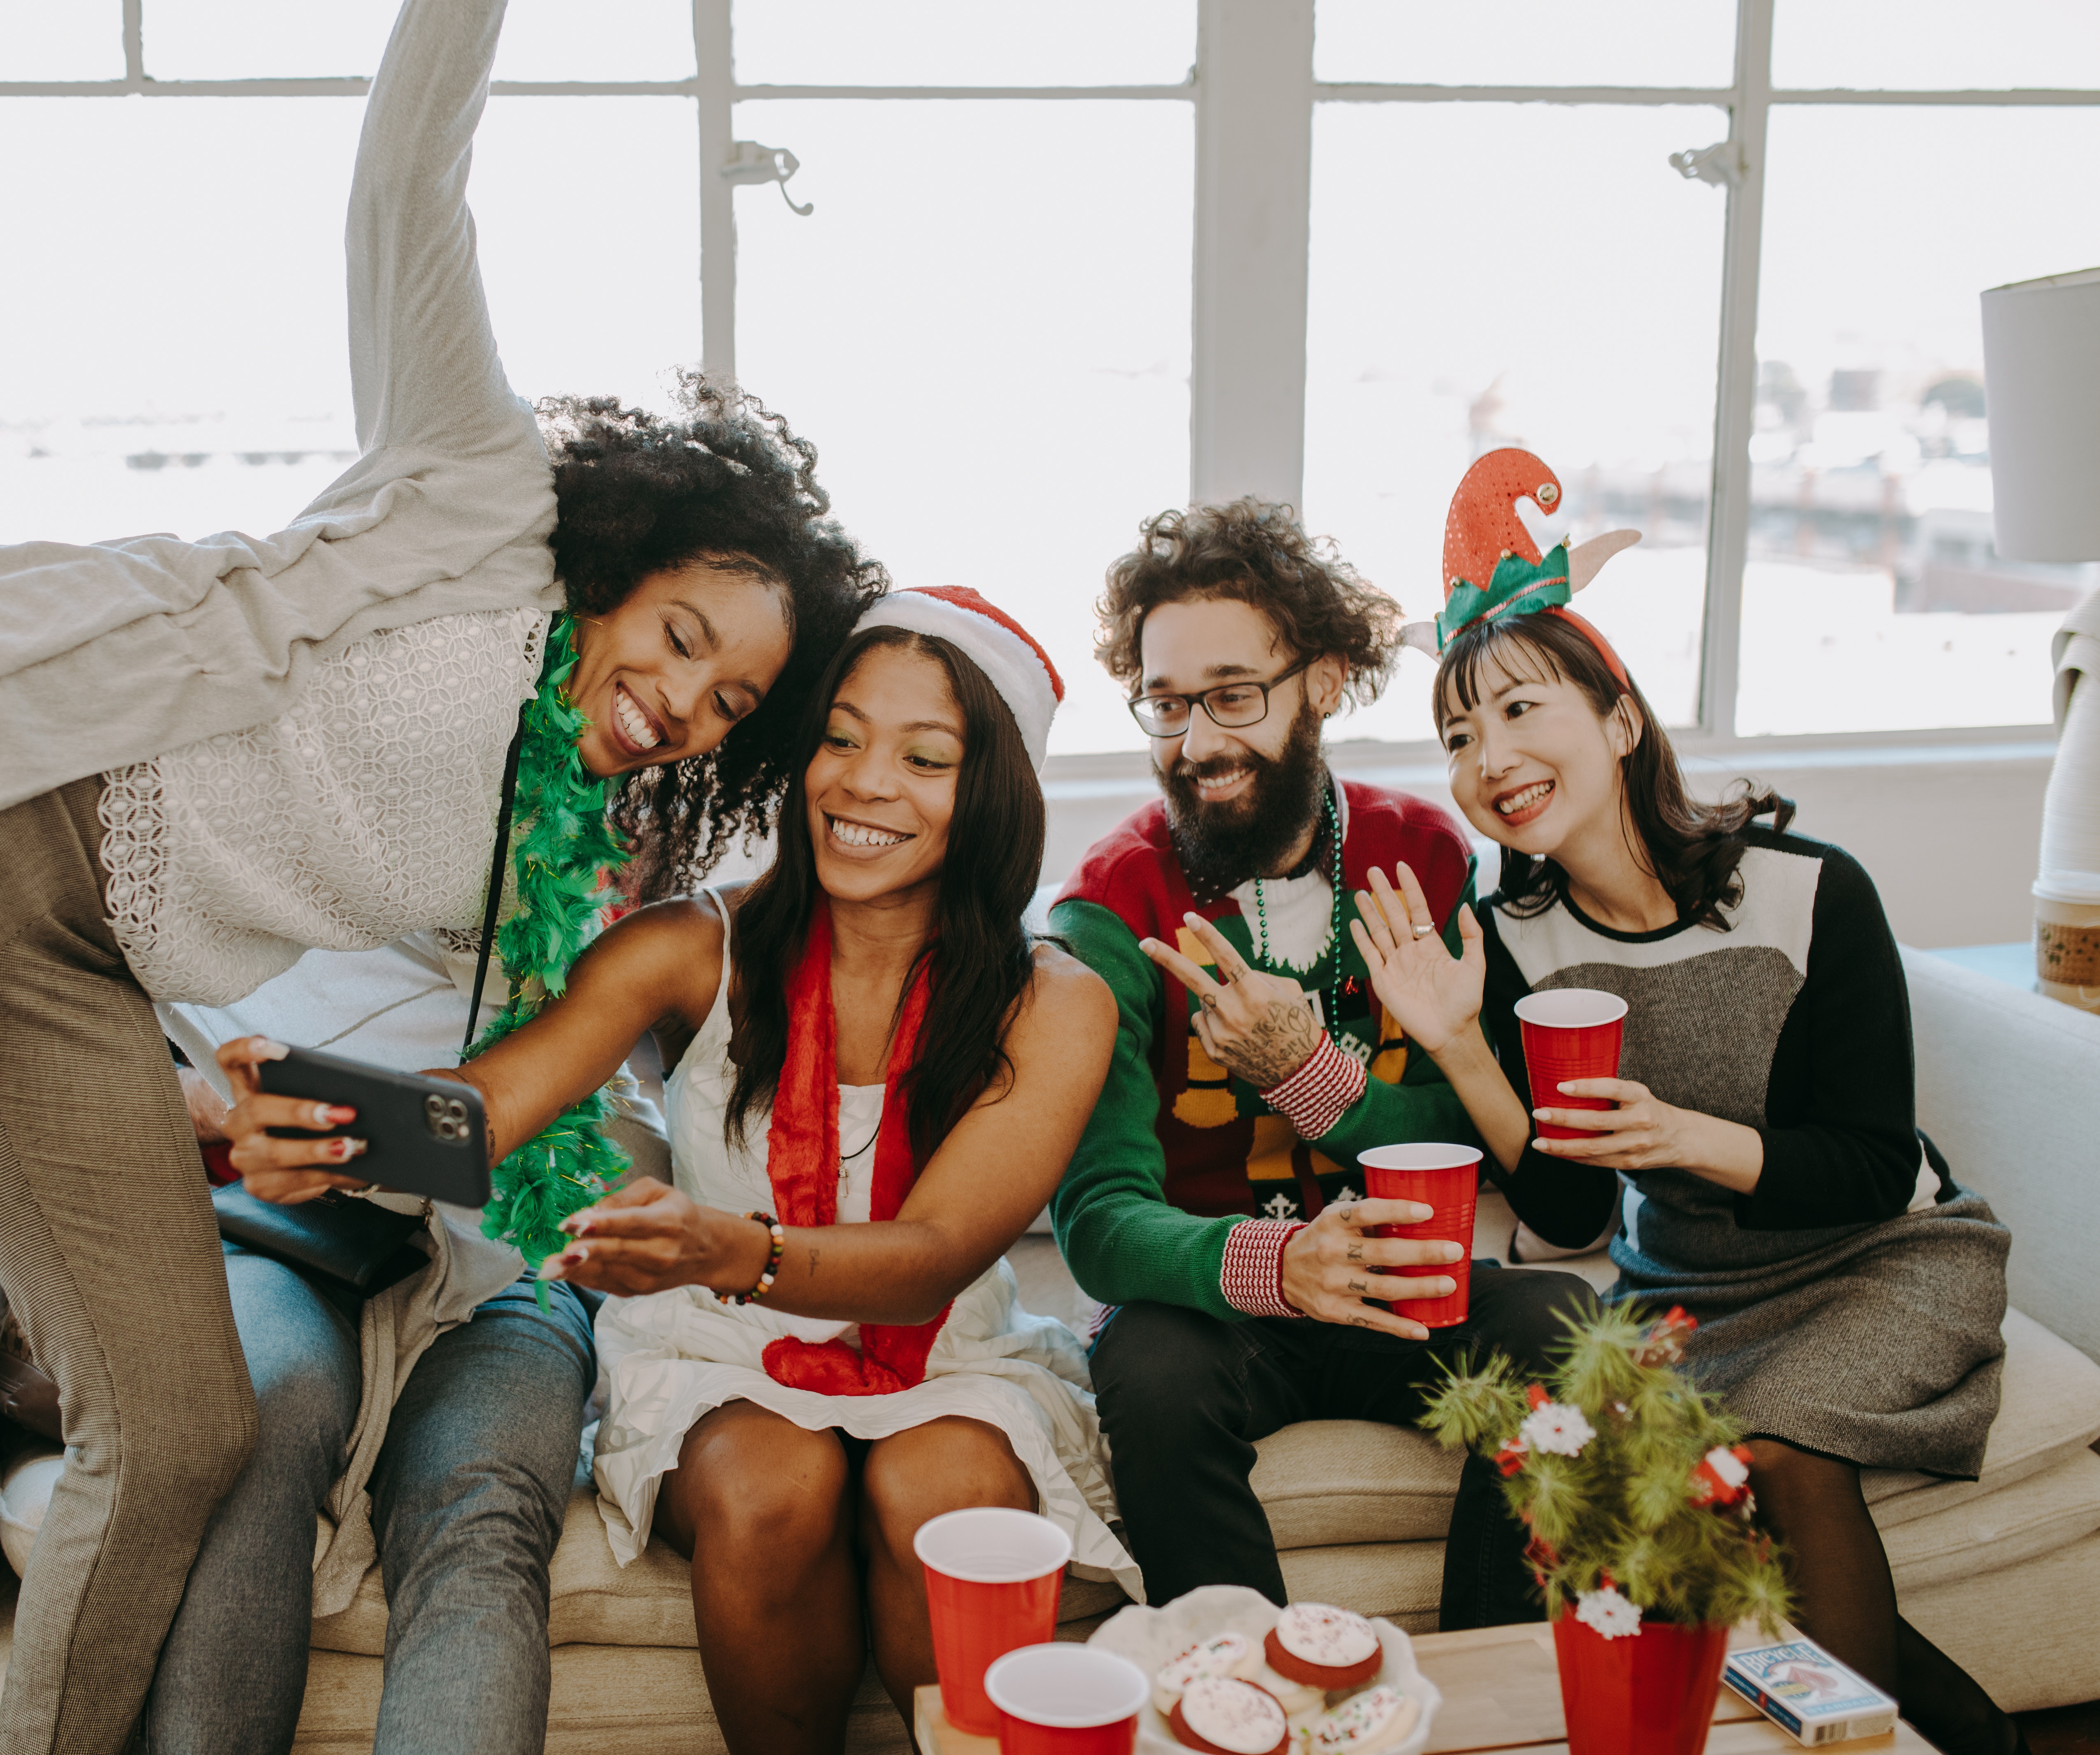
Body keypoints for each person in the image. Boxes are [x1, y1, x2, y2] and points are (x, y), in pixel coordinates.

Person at [0, 2, 877, 1749]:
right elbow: (404, 187)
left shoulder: (560, 827)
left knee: (182, 1424)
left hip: (69, 963)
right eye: (681, 636)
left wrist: (276, 1115)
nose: (681, 702)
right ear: (624, 562)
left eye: (728, 705)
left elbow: (480, 1084)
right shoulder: (478, 501)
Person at [225, 587, 1132, 1755]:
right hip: (720, 1349)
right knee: (768, 1490)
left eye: (925, 759)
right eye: (841, 738)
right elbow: (493, 1105)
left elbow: (931, 1261)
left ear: (994, 793)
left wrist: (728, 1247)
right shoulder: (689, 946)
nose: (864, 784)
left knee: (942, 1491)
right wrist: (336, 1128)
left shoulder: (1055, 1001)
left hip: (946, 1352)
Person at [1345, 450, 2017, 1755]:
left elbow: (1875, 1165)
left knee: (1778, 1452)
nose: (1489, 757)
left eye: (1520, 709)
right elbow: (1568, 1216)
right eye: (1460, 737)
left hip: (1884, 1259)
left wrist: (1685, 1138)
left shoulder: (1809, 893)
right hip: (1682, 1299)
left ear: (1619, 720)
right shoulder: (1510, 940)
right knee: (1635, 1487)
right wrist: (1464, 1050)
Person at [1047, 499, 1597, 1621]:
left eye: (1235, 695)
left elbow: (1468, 1123)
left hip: (1405, 1288)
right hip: (1216, 1309)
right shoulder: (1107, 908)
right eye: (1167, 704)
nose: (1197, 743)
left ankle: (1484, 1681)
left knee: (1567, 1325)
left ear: (1327, 681)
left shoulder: (1424, 854)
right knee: (1148, 1372)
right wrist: (1280, 1264)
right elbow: (1098, 1220)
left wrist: (1311, 1079)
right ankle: (1244, 1688)